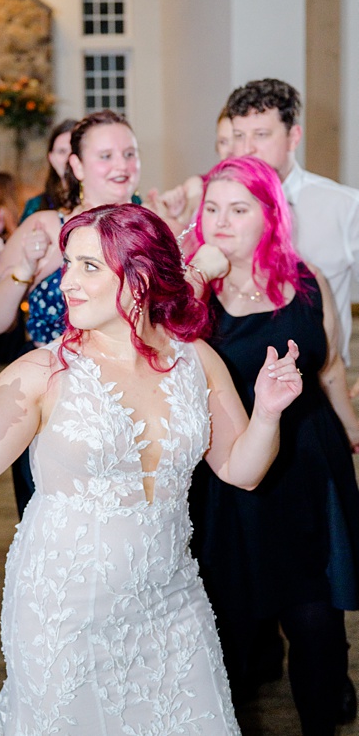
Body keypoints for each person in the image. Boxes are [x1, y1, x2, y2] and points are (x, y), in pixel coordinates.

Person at [0, 202, 299, 731]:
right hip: (65, 609)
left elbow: (242, 470)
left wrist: (267, 413)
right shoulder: (40, 372)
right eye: (67, 263)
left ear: (142, 275)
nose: (66, 282)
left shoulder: (197, 360)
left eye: (88, 266)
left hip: (173, 602)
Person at [184, 156, 359, 733]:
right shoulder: (191, 295)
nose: (222, 222)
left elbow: (329, 364)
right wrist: (197, 275)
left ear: (270, 216)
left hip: (310, 465)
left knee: (316, 624)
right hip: (227, 480)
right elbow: (153, 347)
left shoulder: (303, 278)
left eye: (239, 209)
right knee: (229, 626)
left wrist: (353, 427)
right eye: (212, 209)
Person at [0, 110, 150, 512]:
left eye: (129, 153)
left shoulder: (155, 231)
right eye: (106, 156)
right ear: (76, 165)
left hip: (138, 407)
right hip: (59, 411)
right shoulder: (48, 228)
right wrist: (26, 269)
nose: (121, 165)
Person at [222, 78, 359, 312]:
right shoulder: (218, 207)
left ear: (294, 137)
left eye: (261, 134)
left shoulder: (344, 207)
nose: (246, 149)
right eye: (239, 135)